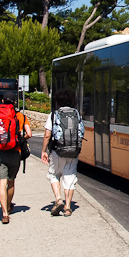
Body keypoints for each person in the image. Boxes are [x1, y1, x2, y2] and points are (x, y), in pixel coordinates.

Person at [41, 89, 83, 217]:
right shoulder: (76, 114)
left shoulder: (54, 115)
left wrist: (44, 151)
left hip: (57, 151)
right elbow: (81, 132)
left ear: (57, 101)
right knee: (70, 177)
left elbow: (47, 135)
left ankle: (58, 199)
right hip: (73, 151)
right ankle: (68, 207)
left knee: (54, 174)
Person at [0, 91, 24, 224]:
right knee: (11, 182)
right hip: (15, 152)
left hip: (0, 153)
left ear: (2, 101)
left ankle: (4, 214)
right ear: (14, 103)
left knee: (1, 183)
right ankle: (9, 206)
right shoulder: (19, 116)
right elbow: (29, 133)